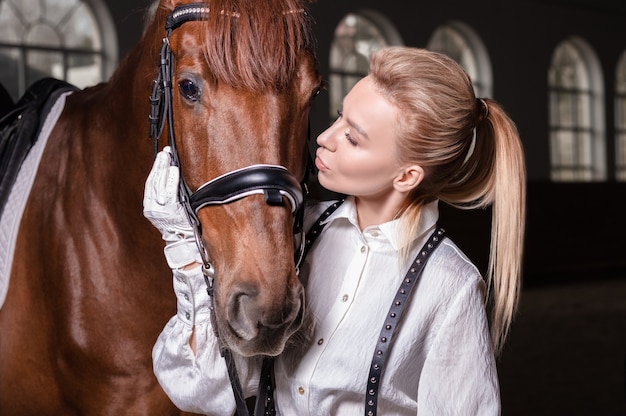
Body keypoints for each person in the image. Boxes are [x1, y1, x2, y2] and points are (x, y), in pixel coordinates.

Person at [143, 46, 526, 415]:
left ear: (406, 175)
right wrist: (185, 250)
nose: (326, 137)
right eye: (340, 116)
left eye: (353, 137)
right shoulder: (298, 233)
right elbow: (203, 390)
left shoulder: (450, 286)